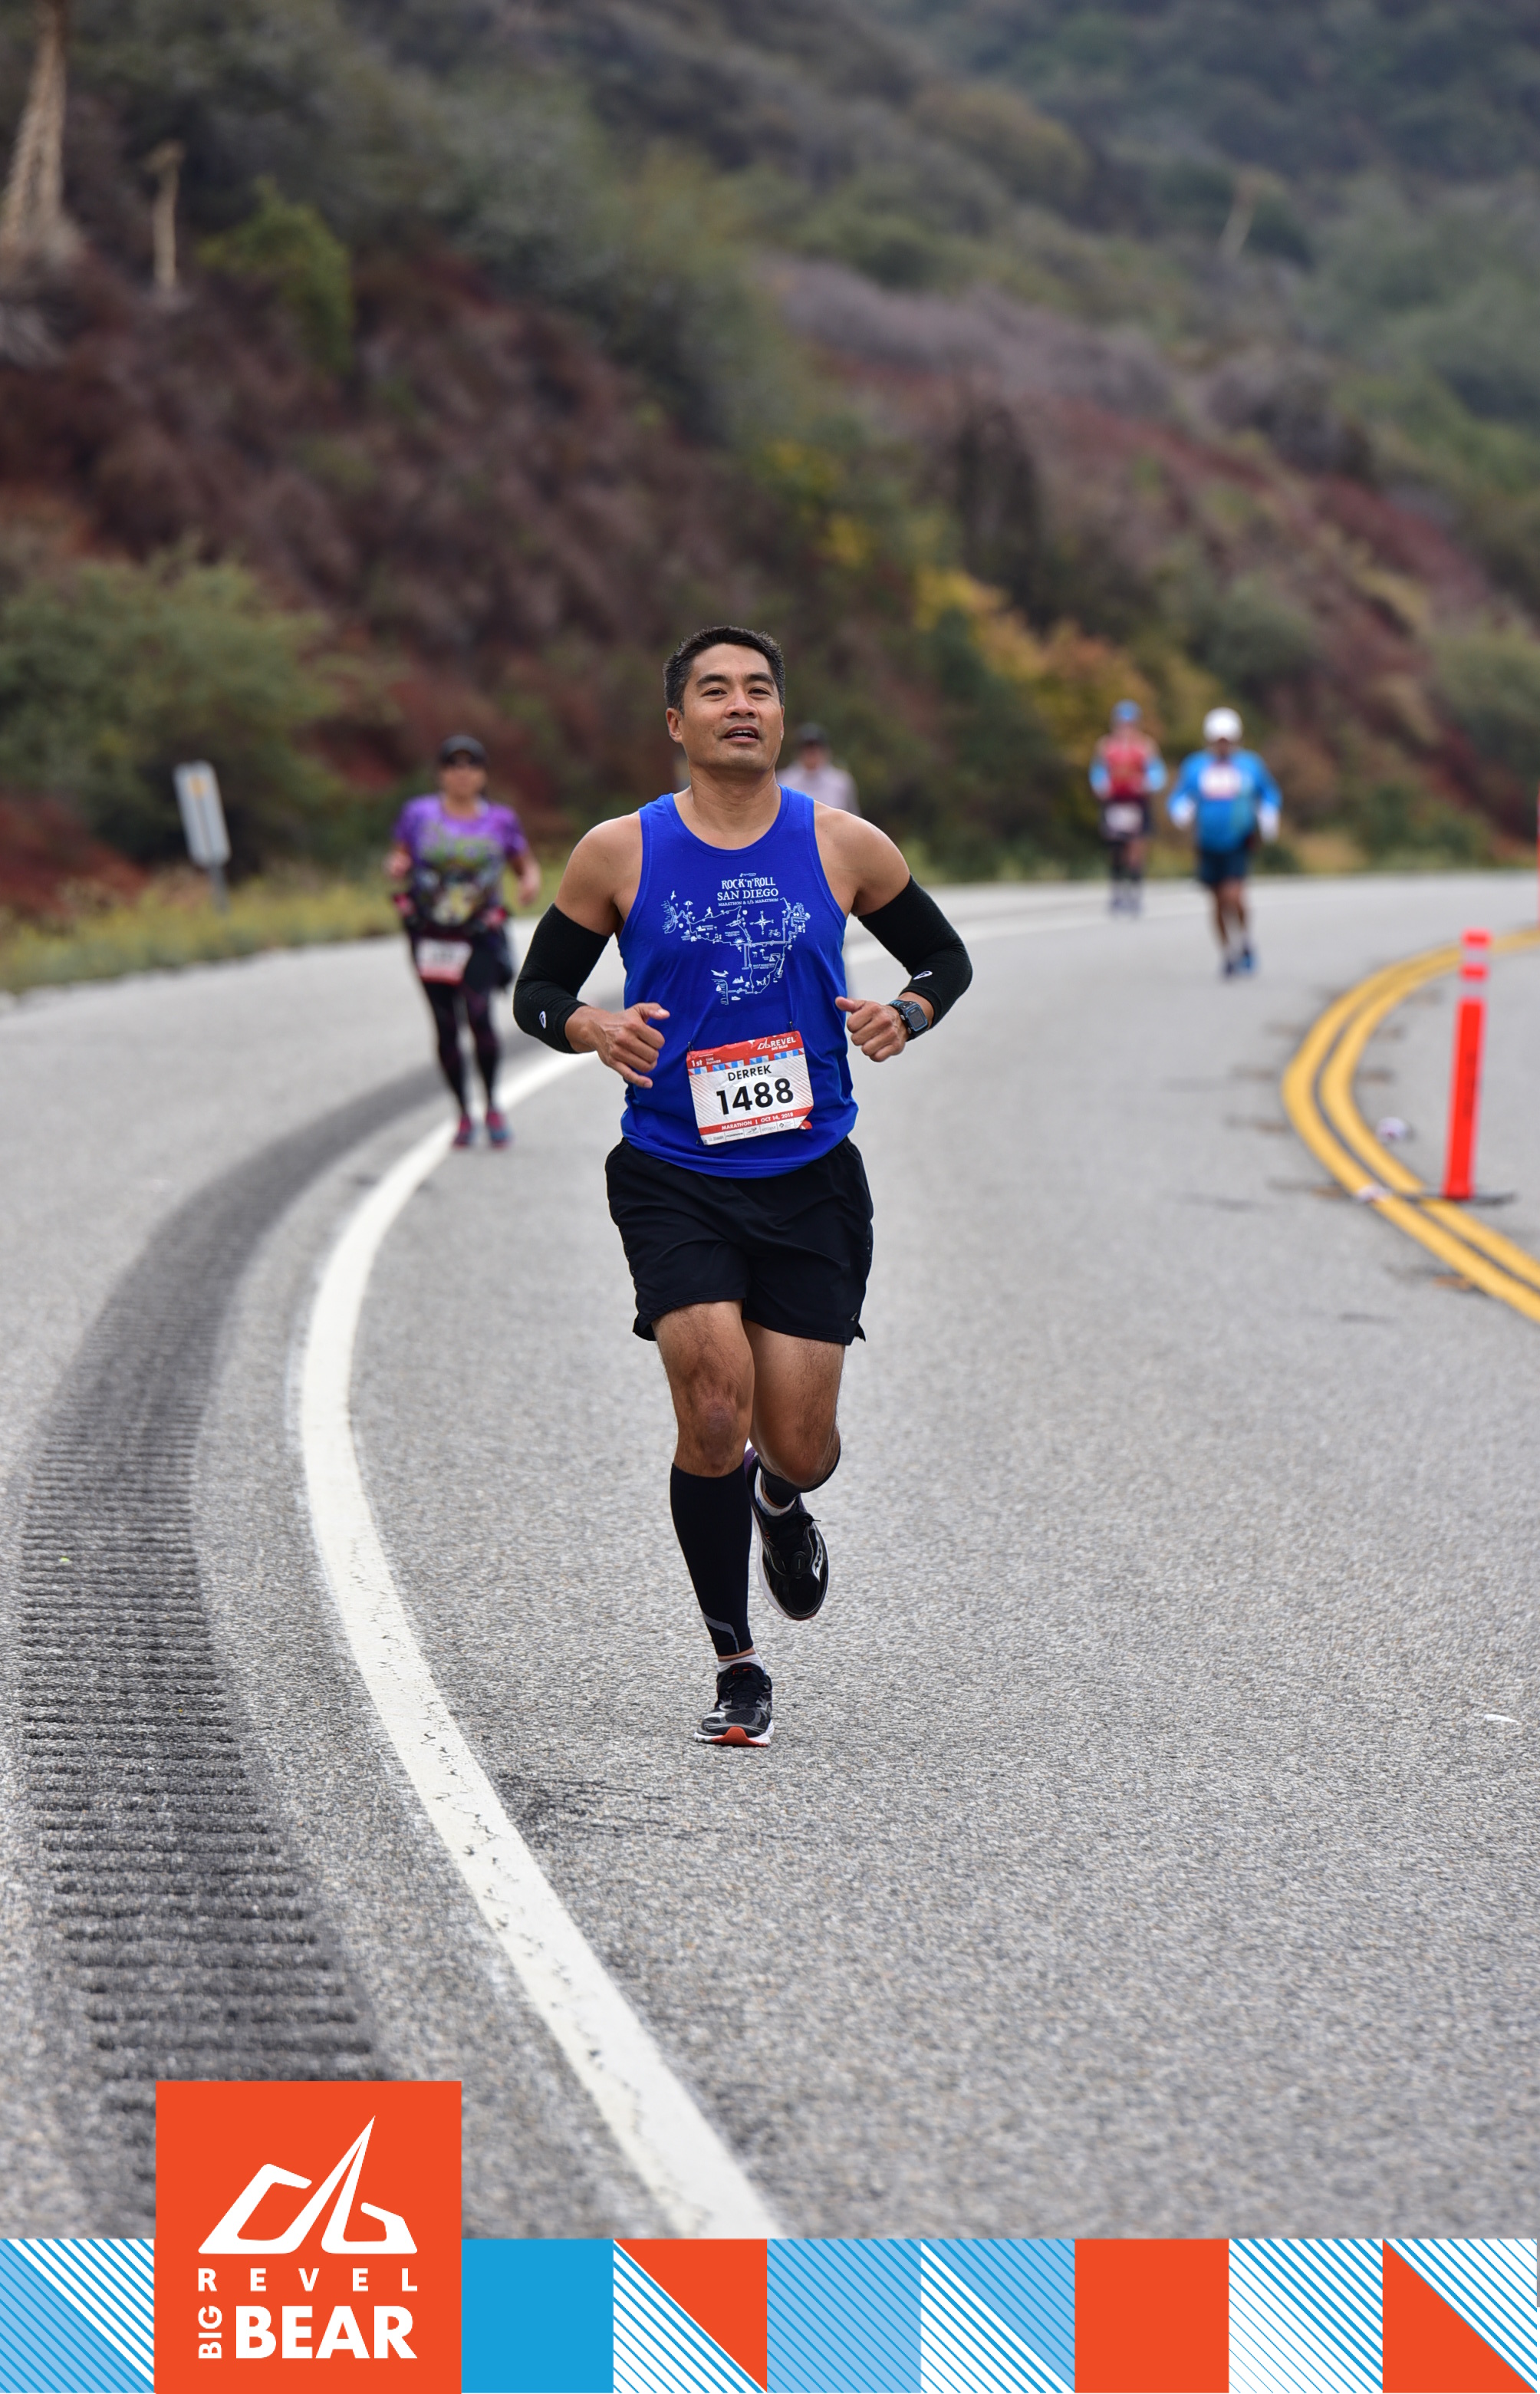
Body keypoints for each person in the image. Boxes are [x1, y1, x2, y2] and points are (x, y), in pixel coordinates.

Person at [514, 626, 971, 1747]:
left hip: (810, 1178)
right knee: (714, 1409)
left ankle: (780, 1496)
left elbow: (944, 959)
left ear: (779, 715)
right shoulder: (618, 852)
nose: (741, 705)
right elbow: (537, 991)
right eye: (715, 690)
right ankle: (737, 1661)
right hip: (674, 1172)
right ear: (678, 723)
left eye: (759, 689)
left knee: (800, 1443)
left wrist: (904, 1013)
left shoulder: (844, 843)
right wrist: (591, 1026)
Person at [387, 734, 541, 1145]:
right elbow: (399, 855)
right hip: (430, 933)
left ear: (483, 774)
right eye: (453, 765)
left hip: (478, 934)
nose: (462, 773)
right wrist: (397, 864)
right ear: (440, 773)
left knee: (479, 1016)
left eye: (471, 765)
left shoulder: (501, 820)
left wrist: (528, 882)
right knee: (445, 1024)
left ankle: (492, 1104)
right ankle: (462, 1112)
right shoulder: (418, 814)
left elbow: (524, 864)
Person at [1167, 706, 1282, 975]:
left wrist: (1268, 813)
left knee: (1234, 895)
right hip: (1207, 843)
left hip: (1238, 840)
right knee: (1217, 902)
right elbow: (1180, 795)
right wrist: (1179, 810)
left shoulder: (1249, 765)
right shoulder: (1196, 766)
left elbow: (1268, 792)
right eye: (1218, 741)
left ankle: (1244, 940)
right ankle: (1228, 952)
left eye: (1227, 741)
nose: (1222, 746)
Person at [1088, 700, 1166, 914]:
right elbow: (1098, 772)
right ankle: (1117, 891)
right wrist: (1100, 786)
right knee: (1116, 849)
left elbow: (1157, 773)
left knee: (1136, 848)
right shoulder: (1106, 746)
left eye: (1129, 724)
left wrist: (1147, 784)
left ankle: (1134, 892)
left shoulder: (1146, 746)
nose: (1125, 728)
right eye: (1122, 723)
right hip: (1115, 803)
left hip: (1136, 803)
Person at [791, 722, 860, 815]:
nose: (811, 754)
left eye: (815, 749)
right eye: (807, 749)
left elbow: (853, 816)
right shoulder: (784, 782)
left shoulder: (841, 782)